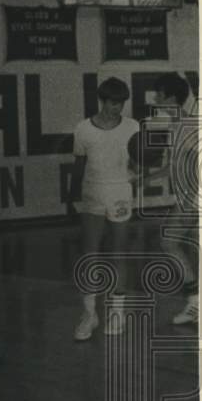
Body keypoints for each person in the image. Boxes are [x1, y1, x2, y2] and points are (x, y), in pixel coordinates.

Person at [68, 77, 139, 341]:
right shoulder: (83, 129)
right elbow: (78, 165)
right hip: (92, 193)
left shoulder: (133, 127)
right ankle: (89, 314)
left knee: (119, 252)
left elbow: (138, 163)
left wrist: (139, 169)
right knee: (90, 254)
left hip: (120, 192)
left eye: (121, 104)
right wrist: (70, 198)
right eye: (112, 103)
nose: (116, 109)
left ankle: (117, 312)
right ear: (102, 100)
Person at [143, 73, 199, 325]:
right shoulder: (176, 125)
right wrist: (145, 178)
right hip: (192, 197)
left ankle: (196, 300)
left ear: (171, 97)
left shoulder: (189, 126)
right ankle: (198, 302)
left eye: (159, 94)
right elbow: (176, 165)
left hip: (196, 197)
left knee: (169, 241)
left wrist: (193, 199)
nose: (155, 98)